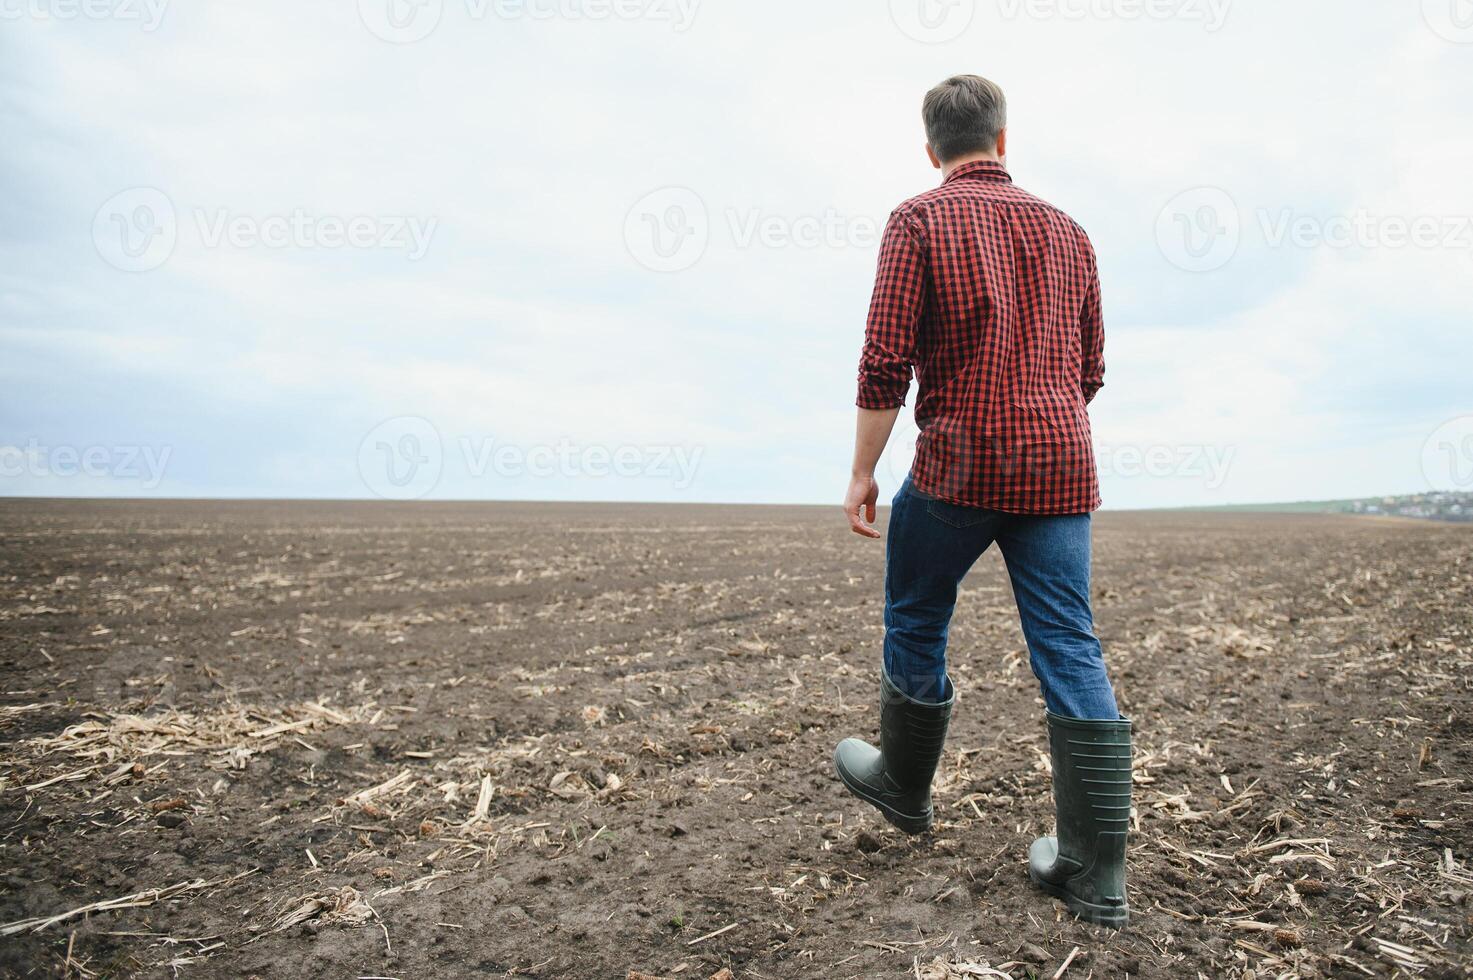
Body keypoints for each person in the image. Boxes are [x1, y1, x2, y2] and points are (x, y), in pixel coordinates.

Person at [832, 75, 1133, 929]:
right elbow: (1091, 369)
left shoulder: (917, 219)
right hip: (1060, 467)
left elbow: (883, 361)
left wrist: (862, 471)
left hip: (959, 468)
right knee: (1069, 643)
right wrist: (1041, 416)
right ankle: (1094, 870)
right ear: (1003, 141)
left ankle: (902, 785)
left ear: (932, 150)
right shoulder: (1070, 231)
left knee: (918, 611)